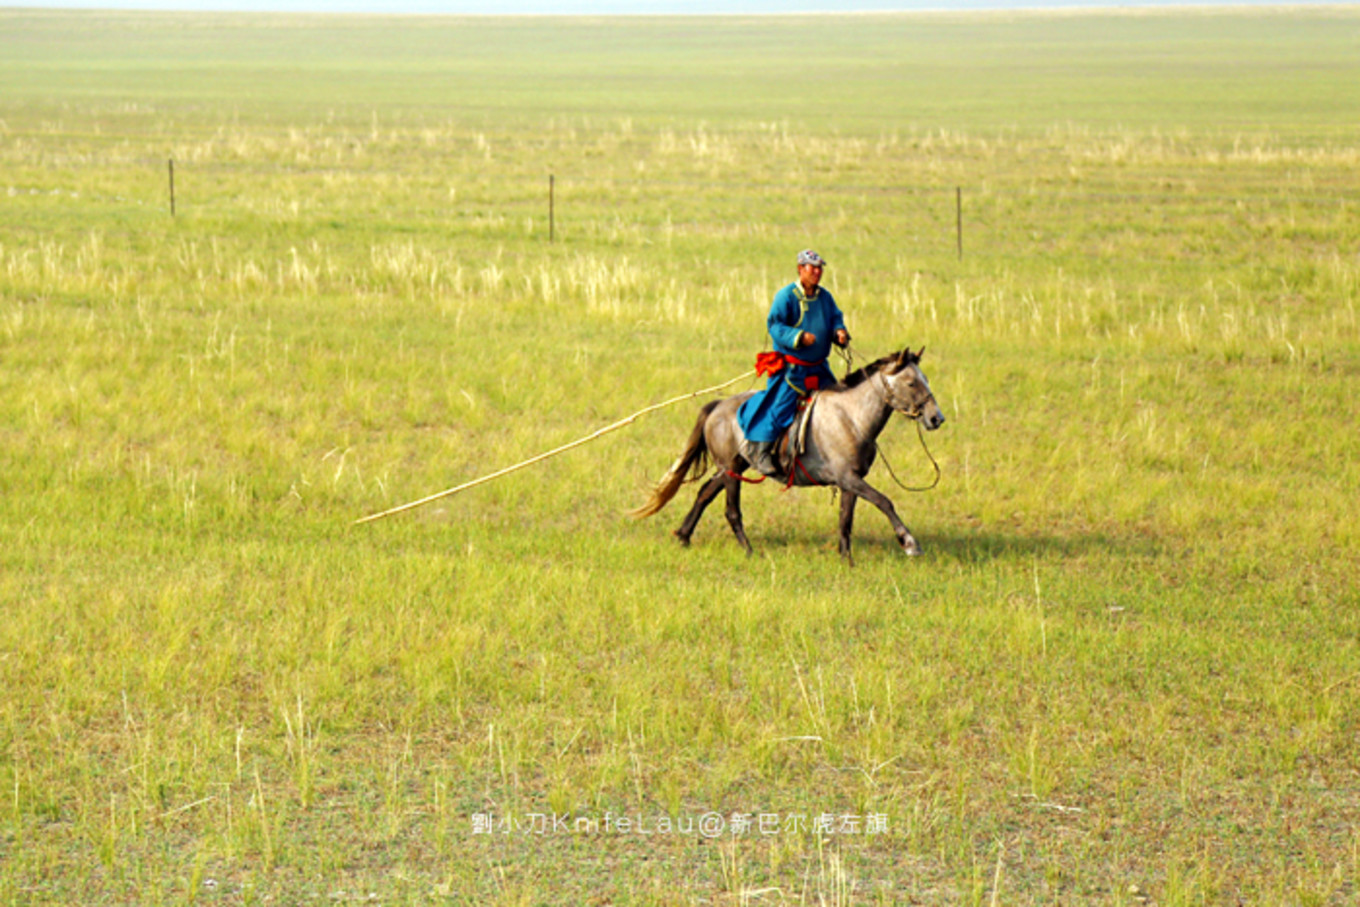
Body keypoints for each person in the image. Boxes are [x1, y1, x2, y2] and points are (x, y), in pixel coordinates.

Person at [737, 249, 850, 476]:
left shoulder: (824, 297)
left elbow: (835, 316)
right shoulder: (786, 296)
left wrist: (839, 331)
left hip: (819, 368)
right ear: (800, 269)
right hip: (792, 371)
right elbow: (775, 326)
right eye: (812, 267)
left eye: (819, 268)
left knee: (839, 402)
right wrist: (798, 337)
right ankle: (761, 450)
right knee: (780, 408)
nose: (817, 272)